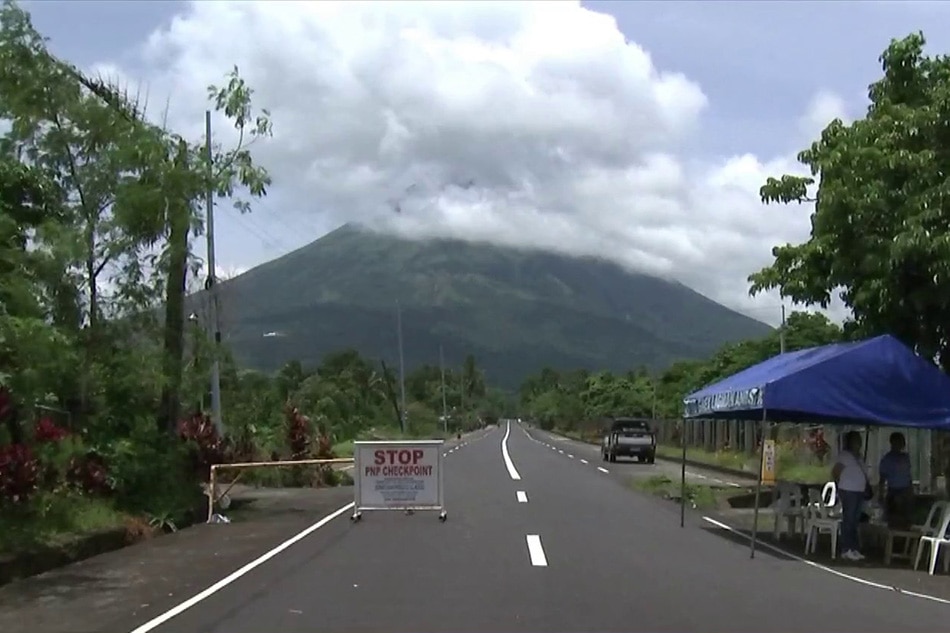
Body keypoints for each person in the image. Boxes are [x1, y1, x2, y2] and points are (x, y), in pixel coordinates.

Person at [831, 430, 871, 561]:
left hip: (859, 491)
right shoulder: (845, 456)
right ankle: (846, 548)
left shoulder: (859, 457)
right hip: (848, 490)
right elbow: (836, 471)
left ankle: (854, 548)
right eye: (856, 440)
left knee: (855, 520)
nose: (859, 443)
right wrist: (840, 485)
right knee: (848, 519)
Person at [878, 432, 914, 529]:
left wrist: (911, 490)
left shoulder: (905, 457)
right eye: (899, 442)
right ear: (893, 443)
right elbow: (882, 478)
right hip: (893, 491)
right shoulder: (887, 459)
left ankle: (906, 538)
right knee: (894, 518)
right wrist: (881, 494)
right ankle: (894, 538)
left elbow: (908, 475)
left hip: (906, 490)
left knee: (906, 518)